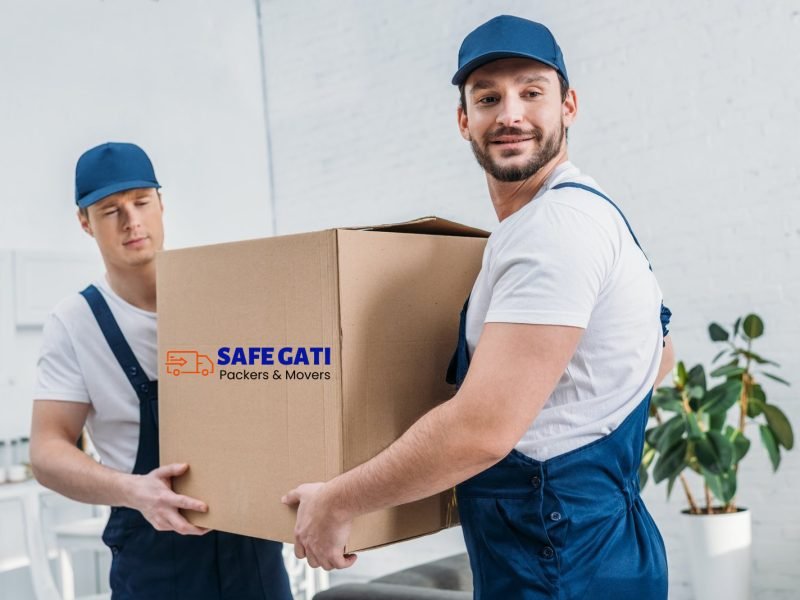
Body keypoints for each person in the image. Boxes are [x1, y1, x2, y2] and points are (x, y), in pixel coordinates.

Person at [283, 15, 674, 600]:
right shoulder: (589, 214)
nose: (510, 113)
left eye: (531, 92)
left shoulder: (553, 229)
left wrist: (337, 501)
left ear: (568, 106)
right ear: (465, 120)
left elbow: (482, 431)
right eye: (488, 97)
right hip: (598, 545)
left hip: (560, 562)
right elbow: (661, 358)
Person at [30, 142, 292, 600]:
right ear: (84, 223)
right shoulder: (75, 323)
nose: (131, 220)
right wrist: (133, 491)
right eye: (110, 210)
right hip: (154, 563)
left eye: (142, 202)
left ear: (162, 203)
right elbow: (47, 451)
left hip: (253, 555)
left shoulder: (228, 295)